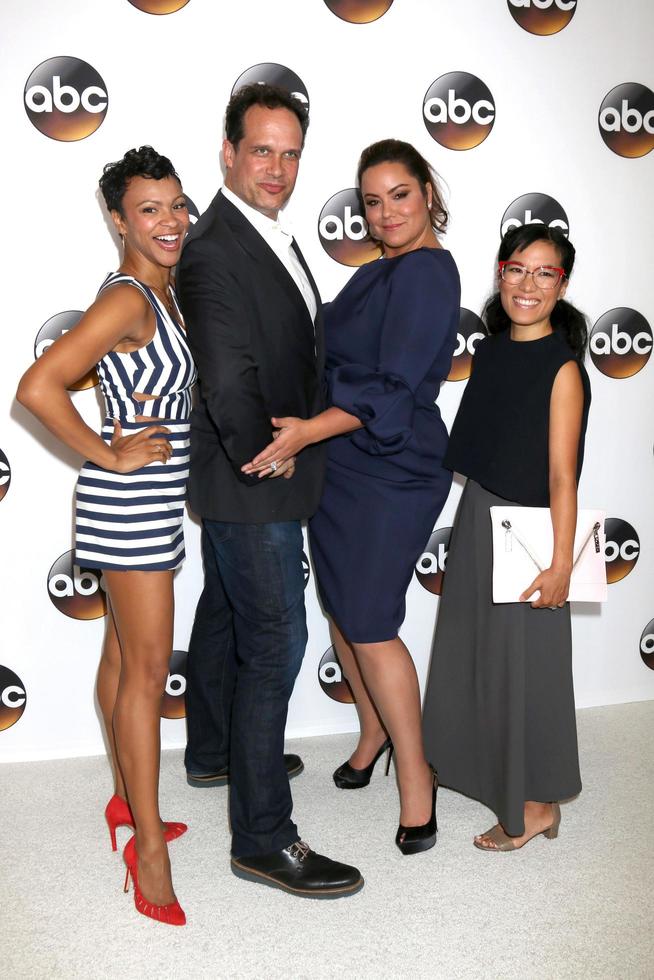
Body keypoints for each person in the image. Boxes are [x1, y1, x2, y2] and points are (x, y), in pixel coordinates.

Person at [243, 139, 460, 854]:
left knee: (369, 621)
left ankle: (417, 777)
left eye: (400, 193)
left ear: (428, 191)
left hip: (392, 466)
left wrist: (306, 432)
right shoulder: (380, 273)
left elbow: (391, 392)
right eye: (372, 200)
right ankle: (371, 732)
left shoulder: (426, 274)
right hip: (344, 462)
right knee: (343, 606)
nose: (386, 211)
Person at [176, 83, 363, 898]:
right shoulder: (216, 246)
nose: (277, 168)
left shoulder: (263, 232)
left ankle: (216, 752)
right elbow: (226, 377)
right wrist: (271, 450)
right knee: (277, 643)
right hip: (252, 473)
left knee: (225, 613)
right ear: (228, 153)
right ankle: (262, 837)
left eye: (290, 153)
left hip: (242, 473)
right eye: (262, 150)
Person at [16, 147, 196, 924]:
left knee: (124, 657)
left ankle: (126, 805)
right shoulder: (129, 300)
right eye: (149, 209)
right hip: (131, 506)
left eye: (176, 205)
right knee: (147, 674)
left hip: (149, 503)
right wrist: (109, 452)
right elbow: (36, 388)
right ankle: (148, 849)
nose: (169, 221)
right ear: (118, 220)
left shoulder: (161, 291)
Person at [421, 224, 591, 851]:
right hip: (478, 517)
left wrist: (560, 563)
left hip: (531, 529)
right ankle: (479, 770)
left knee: (527, 671)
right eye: (518, 269)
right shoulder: (489, 351)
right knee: (476, 657)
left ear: (562, 285)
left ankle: (536, 805)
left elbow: (561, 476)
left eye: (545, 273)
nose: (528, 284)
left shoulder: (564, 369)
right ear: (500, 273)